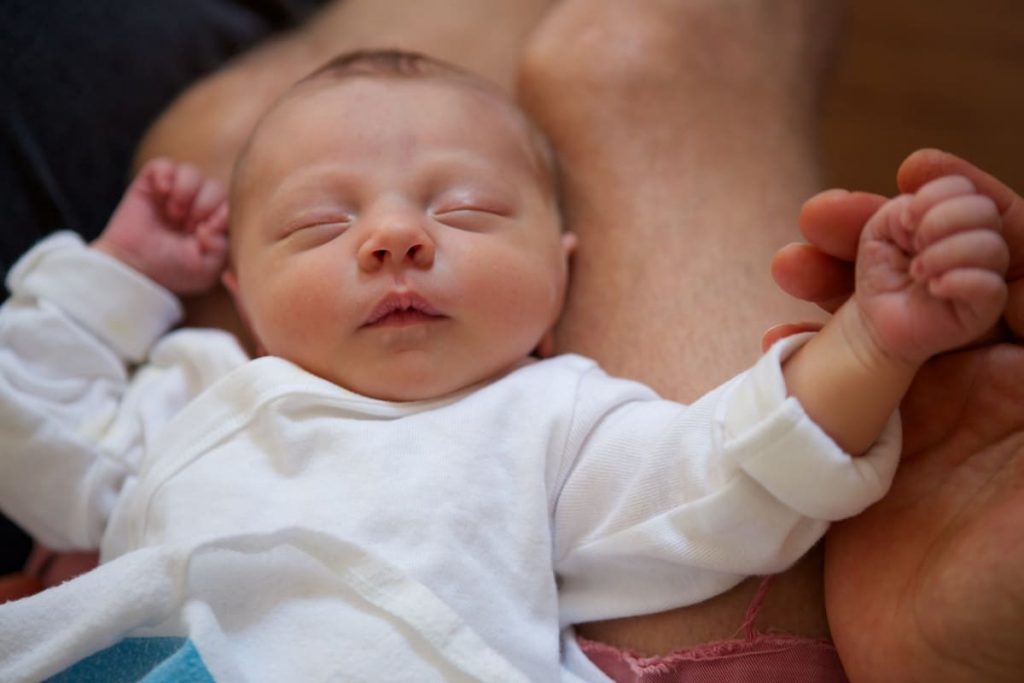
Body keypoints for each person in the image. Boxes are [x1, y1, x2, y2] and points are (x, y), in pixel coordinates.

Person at [0, 47, 1010, 680]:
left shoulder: (555, 417)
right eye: (319, 224)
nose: (394, 236)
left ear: (559, 277)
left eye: (467, 210)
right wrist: (115, 279)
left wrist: (869, 344)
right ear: (244, 295)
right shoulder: (193, 384)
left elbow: (726, 473)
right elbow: (29, 435)